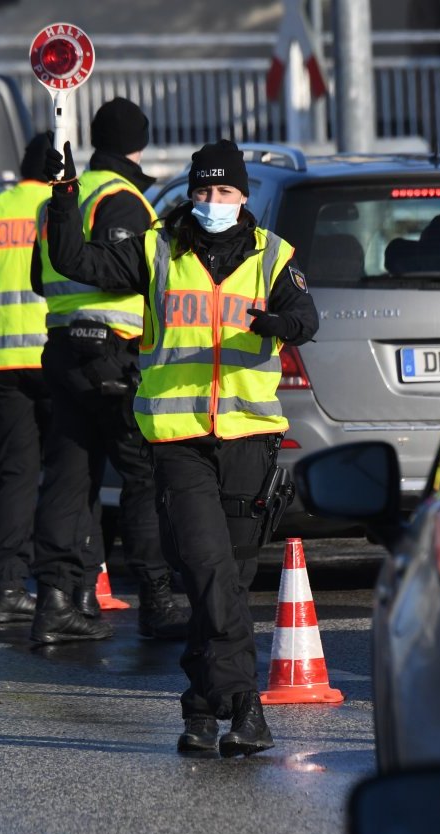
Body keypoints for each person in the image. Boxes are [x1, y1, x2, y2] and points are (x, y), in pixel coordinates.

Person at [41, 138, 319, 756]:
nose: (211, 202)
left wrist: (277, 323)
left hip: (249, 437)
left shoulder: (274, 256)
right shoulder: (156, 248)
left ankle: (199, 709)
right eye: (201, 191)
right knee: (206, 567)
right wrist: (62, 198)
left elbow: (306, 318)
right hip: (178, 439)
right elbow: (71, 261)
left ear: (243, 196)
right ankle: (246, 706)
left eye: (223, 192)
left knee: (229, 580)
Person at [28, 97, 188, 645]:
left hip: (63, 349)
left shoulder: (66, 195)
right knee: (141, 476)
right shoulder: (125, 199)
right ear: (138, 144)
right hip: (113, 352)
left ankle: (55, 600)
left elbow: (38, 277)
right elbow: (126, 271)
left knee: (69, 478)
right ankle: (157, 601)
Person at [0, 132, 105, 624]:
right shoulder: (69, 205)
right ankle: (79, 587)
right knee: (74, 473)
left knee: (13, 475)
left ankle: (7, 588)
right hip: (59, 357)